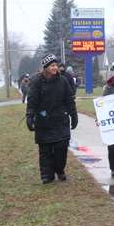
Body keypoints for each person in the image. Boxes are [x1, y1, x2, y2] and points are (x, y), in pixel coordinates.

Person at [26, 54, 78, 184]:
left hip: (60, 120)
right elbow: (32, 100)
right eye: (52, 65)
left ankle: (59, 170)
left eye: (56, 65)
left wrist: (74, 115)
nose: (55, 68)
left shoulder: (63, 81)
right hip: (44, 120)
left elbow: (69, 100)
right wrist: (30, 116)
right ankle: (47, 175)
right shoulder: (37, 82)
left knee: (61, 149)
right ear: (46, 67)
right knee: (45, 151)